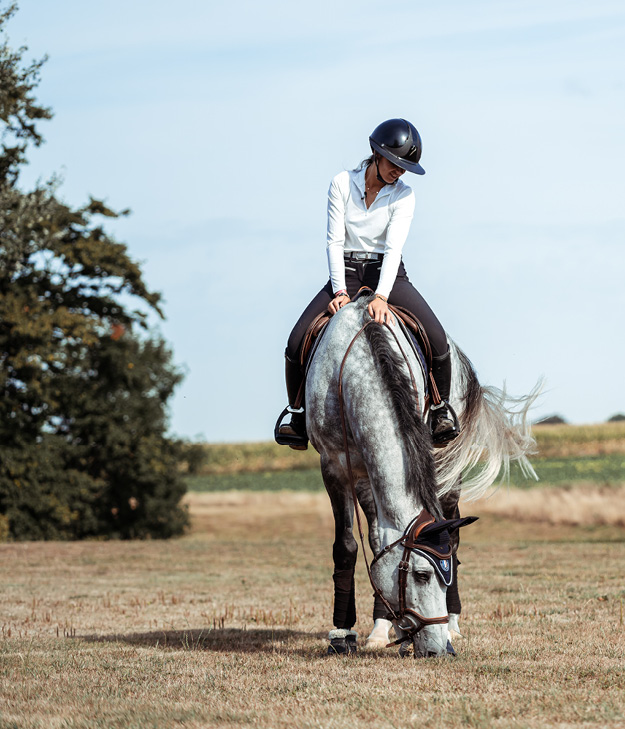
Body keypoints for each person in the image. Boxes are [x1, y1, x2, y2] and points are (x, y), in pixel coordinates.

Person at [276, 118, 459, 451]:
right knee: (295, 341)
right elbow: (333, 241)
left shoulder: (404, 195)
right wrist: (340, 291)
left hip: (386, 274)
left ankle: (439, 410)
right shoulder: (342, 184)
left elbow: (393, 249)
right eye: (396, 163)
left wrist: (383, 296)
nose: (399, 172)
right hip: (344, 272)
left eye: (406, 167)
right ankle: (297, 415)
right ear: (377, 153)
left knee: (437, 338)